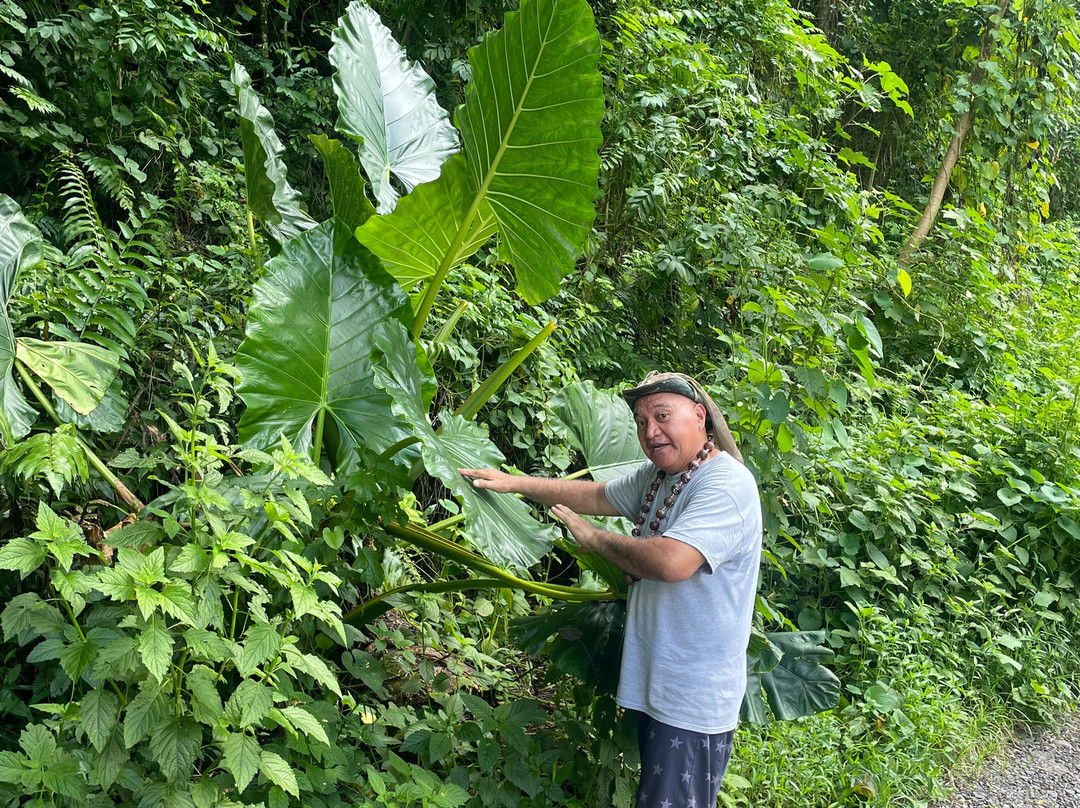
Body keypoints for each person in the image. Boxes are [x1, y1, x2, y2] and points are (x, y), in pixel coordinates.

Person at [458, 371, 762, 808]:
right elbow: (598, 495)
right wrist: (515, 483)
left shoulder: (725, 484)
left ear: (699, 416)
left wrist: (594, 538)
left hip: (692, 699)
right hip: (662, 684)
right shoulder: (661, 477)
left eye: (661, 416)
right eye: (640, 421)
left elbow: (671, 562)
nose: (649, 431)